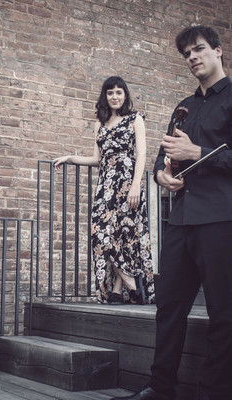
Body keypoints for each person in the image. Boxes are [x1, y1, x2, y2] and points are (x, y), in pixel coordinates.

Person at [110, 26, 232, 400]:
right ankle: (161, 388)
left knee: (224, 312)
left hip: (221, 219)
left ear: (218, 50)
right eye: (186, 54)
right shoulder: (184, 106)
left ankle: (214, 392)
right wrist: (162, 176)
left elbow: (202, 154)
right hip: (181, 219)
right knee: (168, 307)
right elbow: (163, 160)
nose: (192, 57)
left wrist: (198, 153)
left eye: (199, 49)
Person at [53, 76, 155, 305]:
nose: (114, 97)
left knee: (126, 236)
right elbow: (96, 159)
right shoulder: (100, 123)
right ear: (105, 96)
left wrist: (135, 185)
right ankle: (132, 283)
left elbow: (142, 154)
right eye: (110, 93)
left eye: (119, 92)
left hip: (128, 184)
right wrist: (70, 158)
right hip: (105, 187)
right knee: (101, 233)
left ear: (125, 95)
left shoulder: (135, 119)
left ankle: (118, 291)